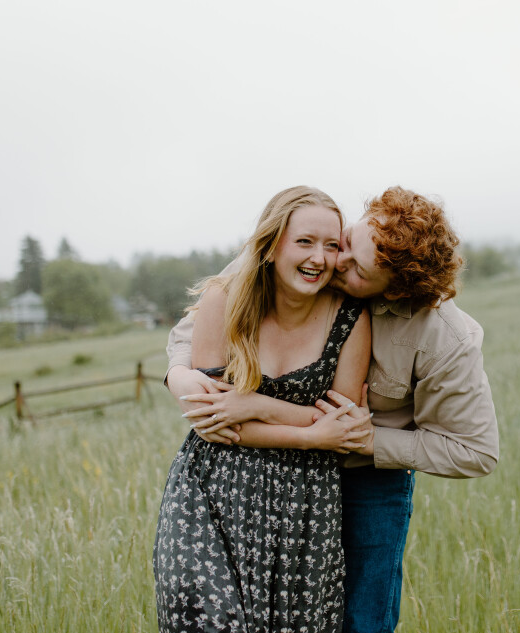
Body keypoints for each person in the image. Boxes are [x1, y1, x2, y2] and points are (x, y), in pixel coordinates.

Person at [166, 186, 500, 633]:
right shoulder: (307, 247)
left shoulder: (447, 338)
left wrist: (368, 439)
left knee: (362, 619)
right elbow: (201, 322)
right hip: (262, 463)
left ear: (393, 292)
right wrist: (179, 376)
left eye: (357, 269)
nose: (334, 262)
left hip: (366, 475)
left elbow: (477, 451)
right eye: (347, 243)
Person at [153, 186, 372, 632]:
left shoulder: (349, 317)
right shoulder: (224, 300)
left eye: (331, 245)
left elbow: (341, 424)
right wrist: (308, 435)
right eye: (305, 242)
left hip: (305, 508)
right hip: (212, 493)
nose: (318, 258)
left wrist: (253, 404)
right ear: (272, 245)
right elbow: (213, 419)